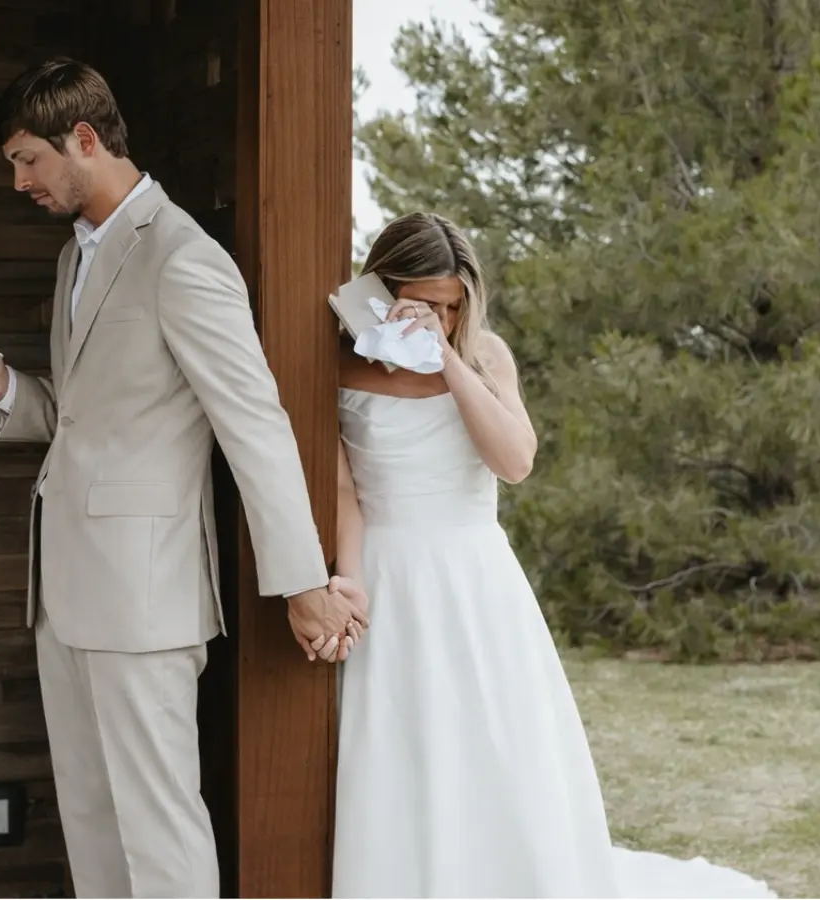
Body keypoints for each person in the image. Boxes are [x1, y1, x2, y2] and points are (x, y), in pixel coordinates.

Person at [0, 57, 367, 899]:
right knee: (93, 822)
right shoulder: (76, 258)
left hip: (142, 598)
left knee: (158, 832)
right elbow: (85, 416)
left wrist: (303, 584)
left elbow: (254, 425)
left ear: (83, 138)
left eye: (28, 160)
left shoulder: (182, 256)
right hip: (64, 592)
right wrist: (8, 388)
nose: (20, 182)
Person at [328, 212, 777, 899]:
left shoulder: (485, 356)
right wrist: (351, 582)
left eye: (453, 306)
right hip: (389, 573)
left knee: (496, 747)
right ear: (384, 290)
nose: (441, 318)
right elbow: (345, 492)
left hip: (475, 577)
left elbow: (514, 462)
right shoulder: (340, 363)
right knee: (401, 748)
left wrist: (445, 358)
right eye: (425, 304)